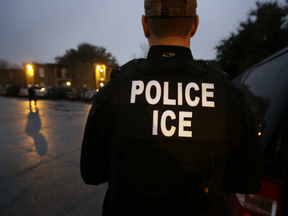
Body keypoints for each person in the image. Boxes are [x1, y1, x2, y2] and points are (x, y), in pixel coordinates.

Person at [80, 0, 263, 215]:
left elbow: (92, 173)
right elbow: (247, 181)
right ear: (194, 25)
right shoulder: (229, 94)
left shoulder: (114, 91)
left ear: (145, 25)